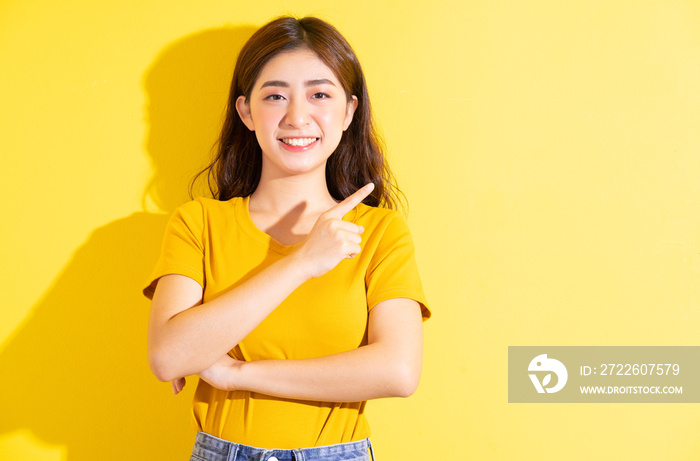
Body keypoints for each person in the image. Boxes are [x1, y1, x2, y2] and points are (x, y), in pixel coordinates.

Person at [143, 16, 430, 461]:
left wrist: (238, 374)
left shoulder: (379, 232)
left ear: (349, 111)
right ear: (246, 112)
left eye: (319, 94)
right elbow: (167, 357)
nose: (297, 116)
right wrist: (300, 264)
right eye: (275, 95)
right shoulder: (198, 223)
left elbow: (398, 370)